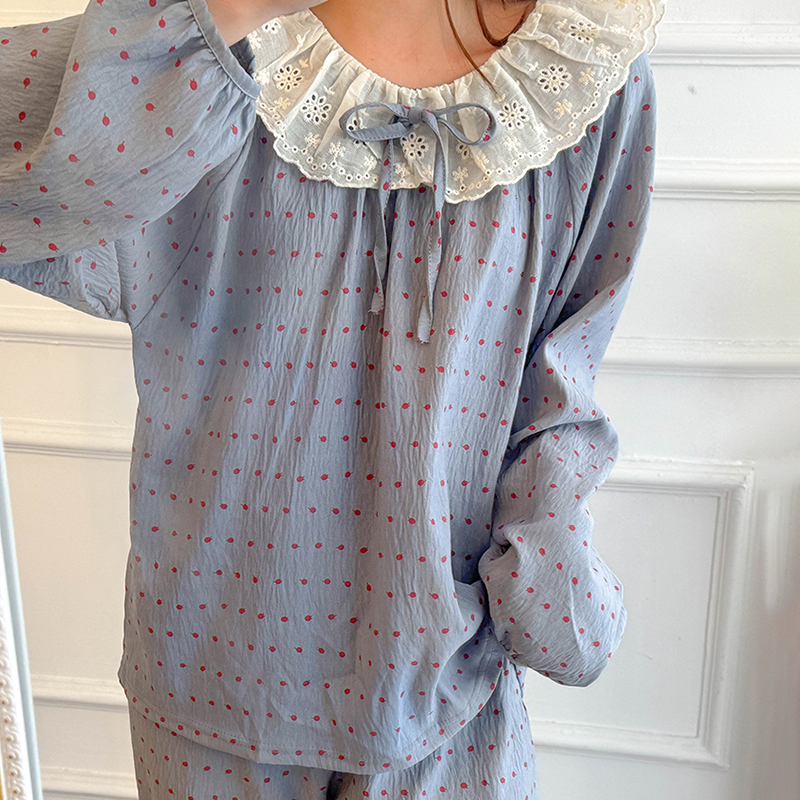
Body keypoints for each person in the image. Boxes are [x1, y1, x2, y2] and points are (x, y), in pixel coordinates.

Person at [0, 0, 666, 796]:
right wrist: (227, 12)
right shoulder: (210, 55)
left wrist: (548, 568)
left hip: (445, 694)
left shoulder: (580, 74)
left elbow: (562, 367)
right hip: (212, 690)